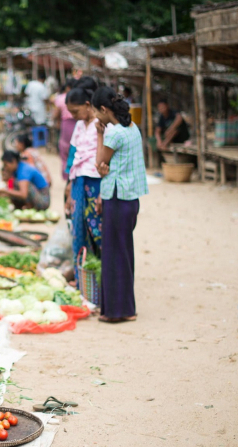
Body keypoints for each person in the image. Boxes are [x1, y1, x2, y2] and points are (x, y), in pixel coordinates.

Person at [93, 86, 149, 323]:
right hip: (130, 200)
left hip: (117, 199)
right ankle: (126, 307)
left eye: (97, 112)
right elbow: (108, 167)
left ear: (104, 110)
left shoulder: (114, 133)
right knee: (124, 254)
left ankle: (118, 311)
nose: (96, 116)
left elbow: (100, 163)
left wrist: (99, 135)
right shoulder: (132, 128)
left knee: (114, 255)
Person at [64, 81, 103, 261]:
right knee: (79, 226)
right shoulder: (80, 126)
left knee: (98, 228)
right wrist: (69, 183)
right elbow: (73, 154)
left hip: (96, 181)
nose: (74, 116)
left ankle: (101, 273)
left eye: (76, 111)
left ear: (88, 105)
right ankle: (82, 276)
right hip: (79, 180)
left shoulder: (102, 124)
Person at [53, 78, 78, 180]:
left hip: (66, 125)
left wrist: (57, 122)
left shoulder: (61, 98)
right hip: (76, 124)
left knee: (64, 150)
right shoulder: (79, 98)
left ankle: (67, 175)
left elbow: (55, 114)